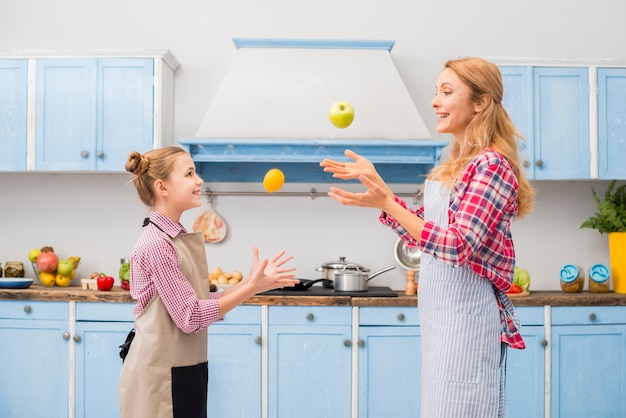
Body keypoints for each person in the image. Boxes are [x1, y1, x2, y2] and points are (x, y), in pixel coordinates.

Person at [320, 57, 534, 418]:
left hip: (467, 324)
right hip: (442, 322)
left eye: (447, 92)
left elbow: (456, 244)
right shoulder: (454, 164)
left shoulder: (492, 166)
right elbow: (430, 234)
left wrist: (387, 201)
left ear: (480, 102)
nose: (435, 101)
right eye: (435, 92)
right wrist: (382, 198)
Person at [119, 146, 297, 418]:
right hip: (159, 379)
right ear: (162, 187)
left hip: (182, 369)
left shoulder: (173, 239)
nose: (199, 180)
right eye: (189, 174)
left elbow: (196, 305)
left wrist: (252, 283)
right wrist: (249, 288)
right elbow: (190, 317)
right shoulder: (157, 244)